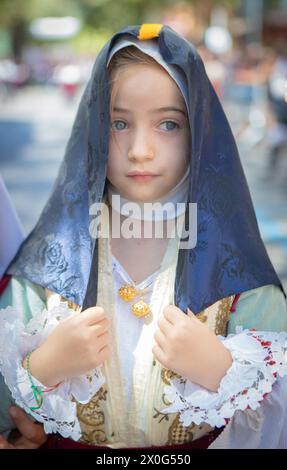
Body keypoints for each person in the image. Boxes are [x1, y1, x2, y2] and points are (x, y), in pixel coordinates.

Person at [0, 24, 287, 450]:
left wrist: (225, 370)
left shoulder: (237, 274)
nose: (140, 149)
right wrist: (41, 368)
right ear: (94, 128)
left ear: (200, 134)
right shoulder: (49, 264)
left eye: (168, 124)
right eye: (119, 122)